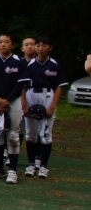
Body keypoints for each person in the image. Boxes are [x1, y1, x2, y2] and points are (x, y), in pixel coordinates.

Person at [0, 33, 28, 184]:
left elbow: (21, 83)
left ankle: (12, 170)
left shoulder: (19, 62)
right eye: (0, 42)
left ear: (12, 44)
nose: (3, 44)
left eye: (6, 42)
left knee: (13, 135)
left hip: (13, 101)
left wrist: (7, 100)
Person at [21, 36, 68, 179]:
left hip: (47, 95)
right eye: (38, 45)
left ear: (50, 48)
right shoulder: (29, 64)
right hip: (31, 94)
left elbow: (60, 86)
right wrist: (24, 105)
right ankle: (31, 164)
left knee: (45, 133)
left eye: (44, 45)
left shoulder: (55, 65)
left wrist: (52, 106)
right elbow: (22, 85)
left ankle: (43, 166)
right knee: (30, 133)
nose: (40, 48)